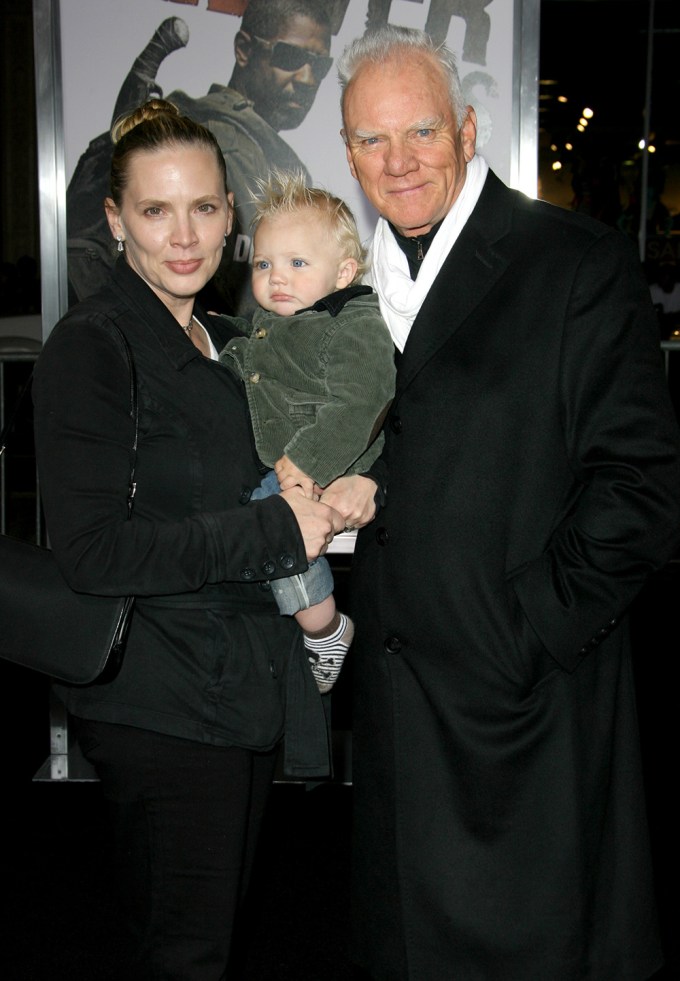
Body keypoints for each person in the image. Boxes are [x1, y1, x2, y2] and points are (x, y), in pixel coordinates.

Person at [319, 25, 680, 980]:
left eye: (421, 132)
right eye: (369, 140)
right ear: (345, 152)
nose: (396, 164)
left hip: (524, 713)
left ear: (470, 130)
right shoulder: (345, 284)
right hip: (397, 714)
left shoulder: (573, 263)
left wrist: (519, 631)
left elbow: (641, 490)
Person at [32, 98, 347, 979]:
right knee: (188, 951)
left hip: (235, 686)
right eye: (155, 210)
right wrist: (273, 530)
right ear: (114, 220)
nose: (183, 235)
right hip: (161, 703)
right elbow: (93, 552)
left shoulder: (230, 340)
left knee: (209, 937)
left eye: (204, 208)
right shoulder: (94, 346)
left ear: (231, 215)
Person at [218, 169, 395, 692]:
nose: (277, 277)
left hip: (323, 467)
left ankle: (324, 627)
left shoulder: (354, 316)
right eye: (265, 263)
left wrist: (307, 462)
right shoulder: (266, 323)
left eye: (297, 263)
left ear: (343, 272)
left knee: (276, 527)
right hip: (283, 469)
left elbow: (364, 398)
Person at [67, 0, 332, 316]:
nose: (307, 79)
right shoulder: (216, 143)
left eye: (320, 66)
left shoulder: (268, 153)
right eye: (290, 57)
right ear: (245, 49)